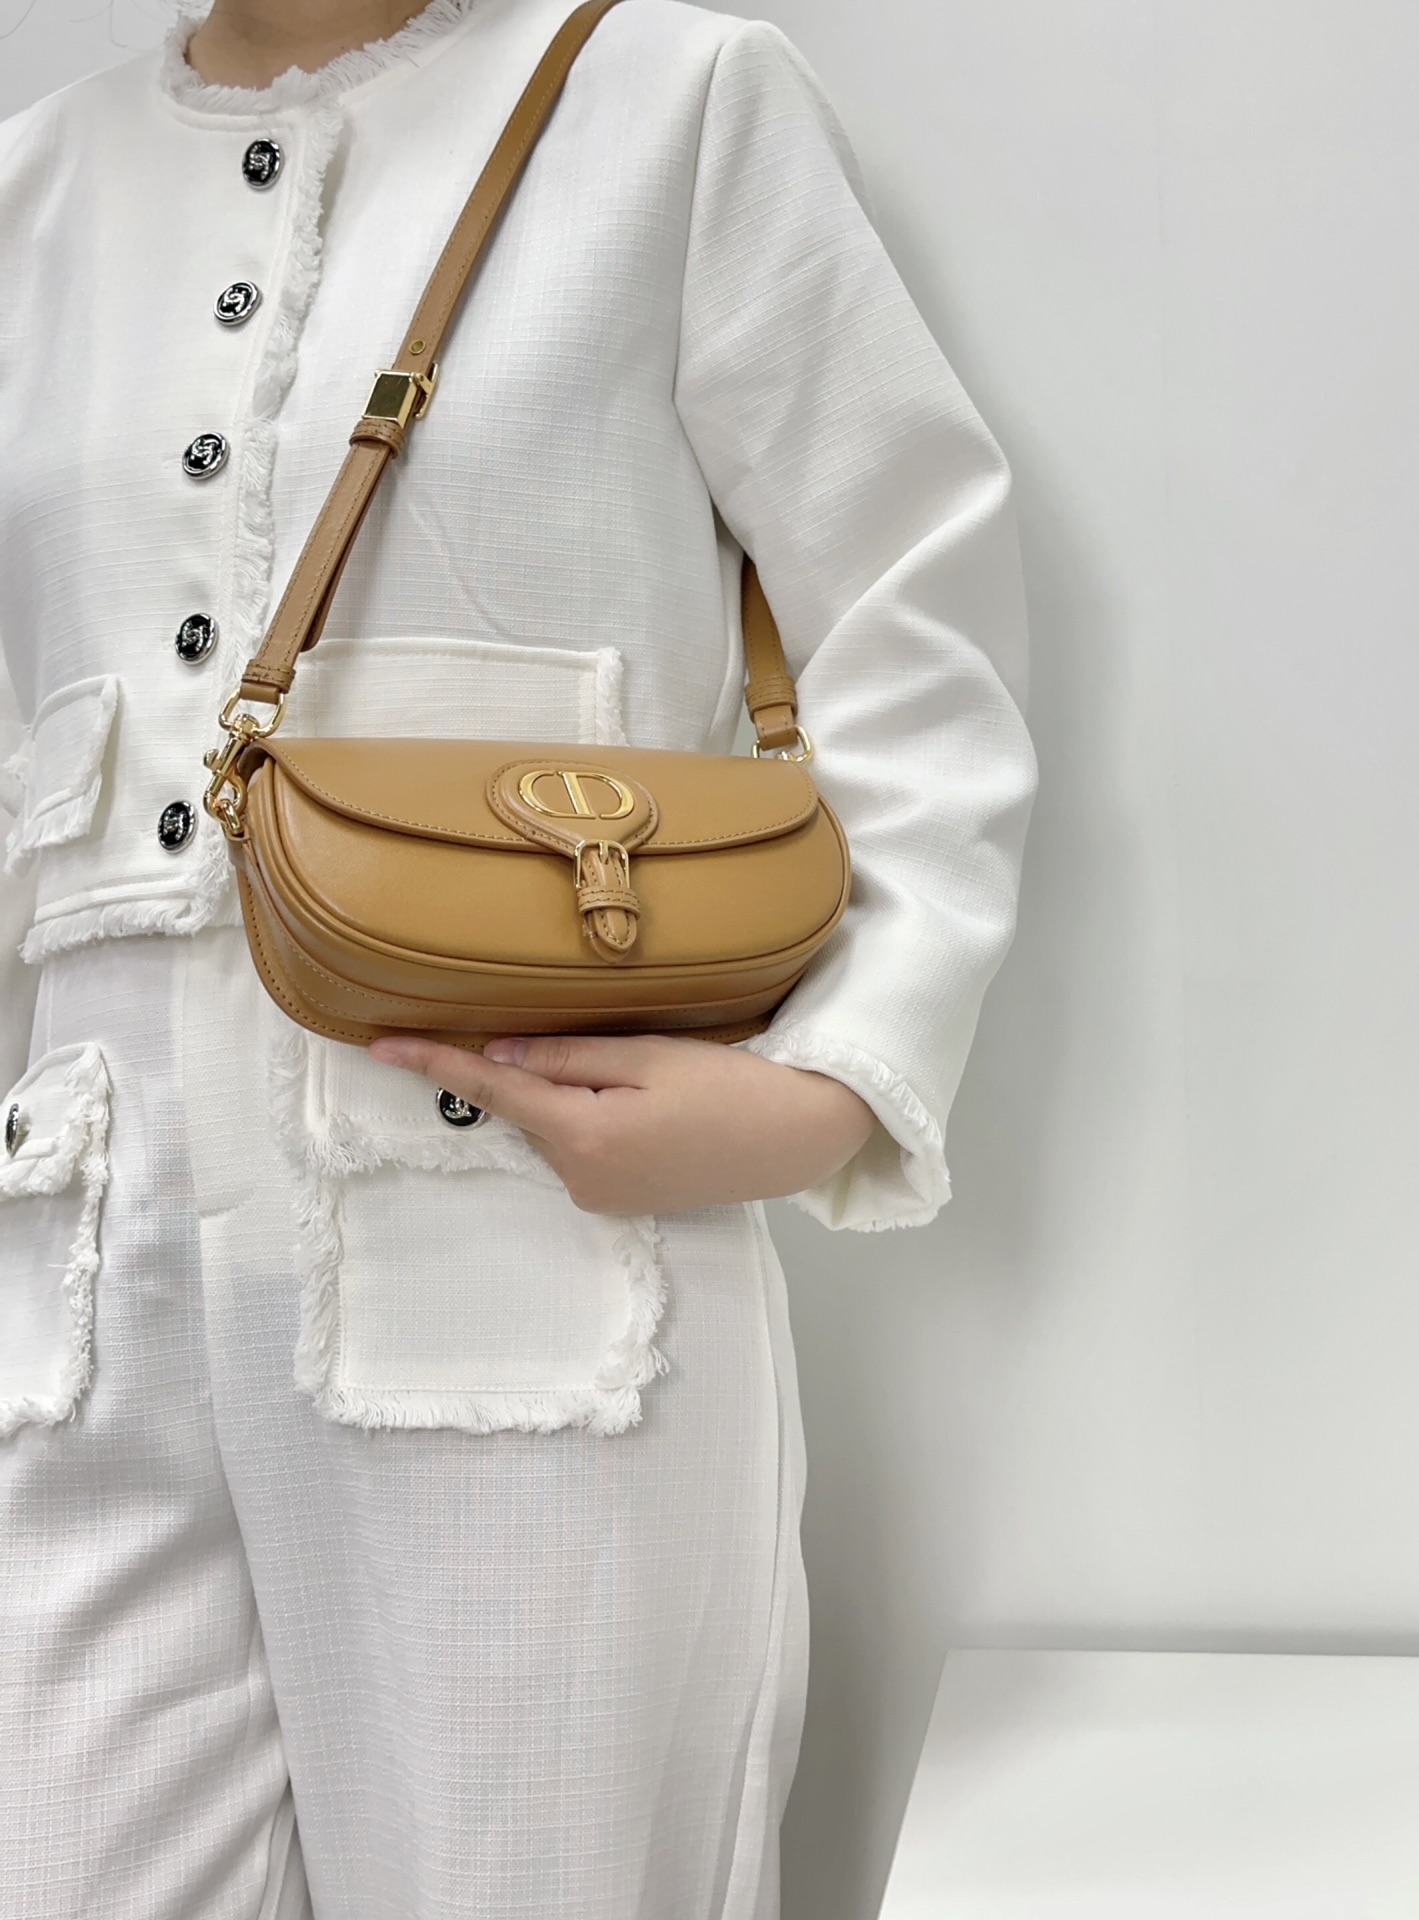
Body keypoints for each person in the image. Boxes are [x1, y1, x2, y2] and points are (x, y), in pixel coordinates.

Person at [0, 0, 1037, 1913]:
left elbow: (911, 613)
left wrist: (833, 1083)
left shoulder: (674, 102)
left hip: (526, 1237)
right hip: (73, 1292)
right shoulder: (36, 183)